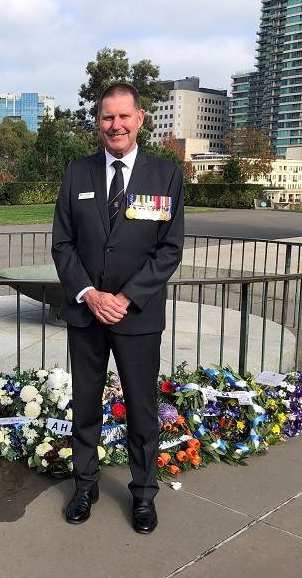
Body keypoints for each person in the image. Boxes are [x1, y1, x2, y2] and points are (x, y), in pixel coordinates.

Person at [51, 83, 184, 534]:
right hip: (87, 315)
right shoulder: (77, 173)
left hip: (138, 317)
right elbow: (63, 245)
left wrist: (125, 298)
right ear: (98, 122)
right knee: (85, 405)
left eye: (124, 116)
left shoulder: (166, 175)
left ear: (140, 119)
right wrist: (90, 294)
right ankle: (84, 486)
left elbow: (169, 250)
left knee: (142, 410)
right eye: (108, 117)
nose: (116, 125)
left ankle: (144, 494)